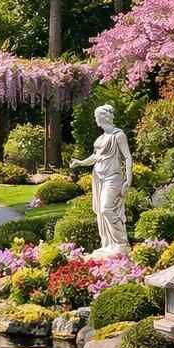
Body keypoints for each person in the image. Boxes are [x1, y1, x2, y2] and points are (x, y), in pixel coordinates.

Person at [70, 104, 132, 257]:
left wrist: (128, 179)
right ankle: (109, 244)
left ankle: (121, 243)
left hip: (113, 177)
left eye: (96, 116)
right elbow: (95, 157)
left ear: (103, 117)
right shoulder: (100, 138)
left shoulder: (118, 135)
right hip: (99, 178)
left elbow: (127, 156)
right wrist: (80, 162)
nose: (95, 119)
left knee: (106, 208)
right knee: (100, 211)